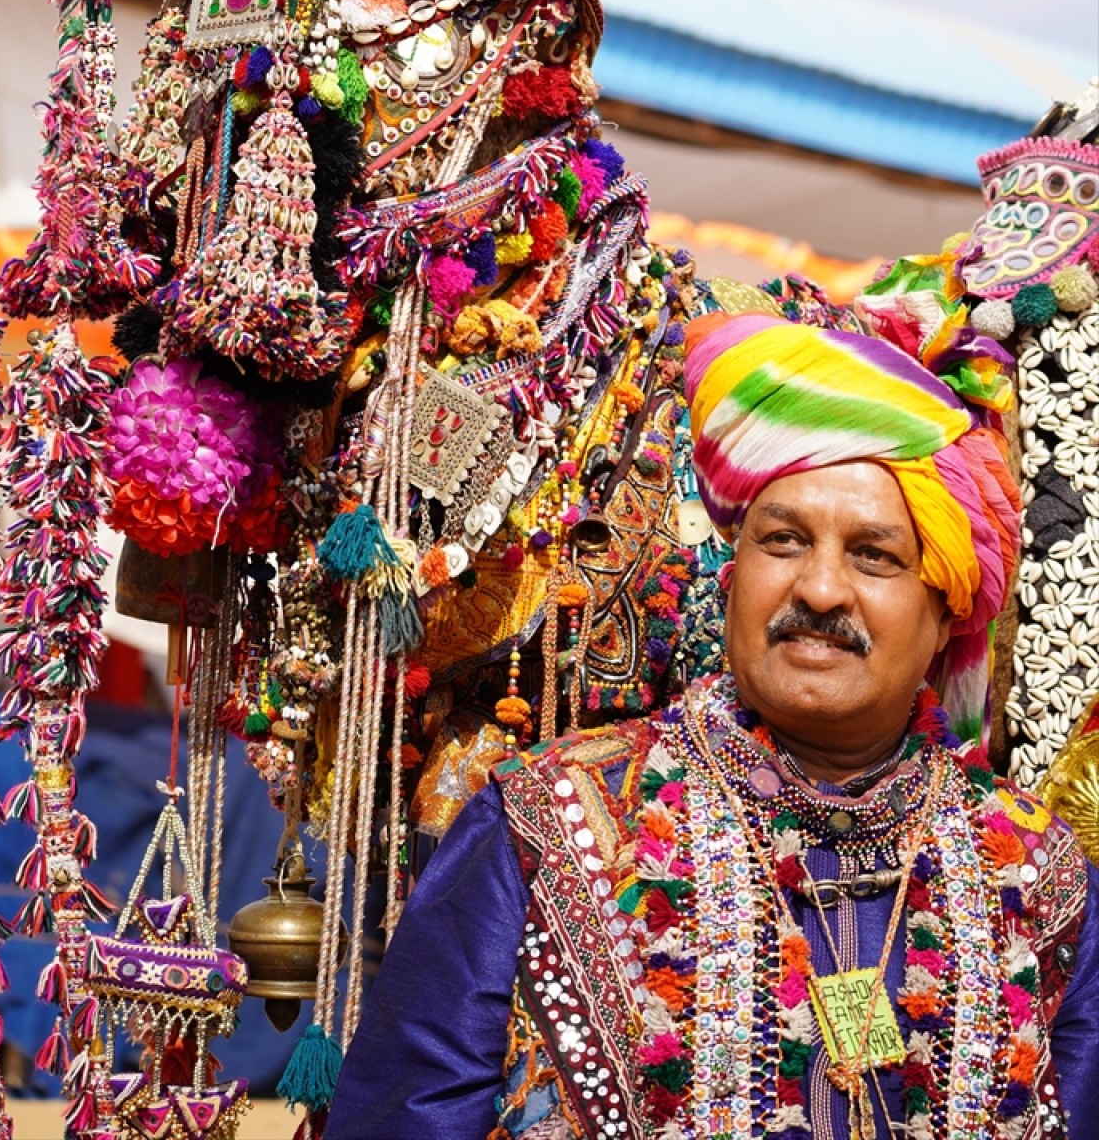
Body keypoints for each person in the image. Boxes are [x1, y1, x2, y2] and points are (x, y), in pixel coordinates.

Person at [325, 312, 1099, 1139]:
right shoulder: (544, 822)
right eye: (784, 541)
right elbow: (407, 1112)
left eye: (873, 555)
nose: (822, 591)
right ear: (732, 577)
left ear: (945, 612)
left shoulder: (1038, 872)